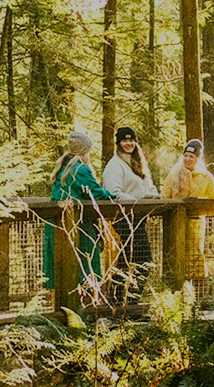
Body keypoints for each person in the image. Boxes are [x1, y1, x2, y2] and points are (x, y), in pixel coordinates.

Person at [42, 130, 115, 290]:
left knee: (61, 263)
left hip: (58, 224)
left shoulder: (63, 166)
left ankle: (61, 304)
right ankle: (84, 305)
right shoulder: (80, 169)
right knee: (82, 261)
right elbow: (95, 192)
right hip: (76, 225)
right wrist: (114, 195)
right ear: (84, 150)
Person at [101, 126, 156, 300]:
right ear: (118, 143)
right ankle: (126, 299)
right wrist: (136, 203)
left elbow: (148, 186)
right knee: (143, 259)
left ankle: (121, 299)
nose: (128, 143)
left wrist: (155, 198)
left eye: (131, 140)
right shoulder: (115, 165)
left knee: (129, 259)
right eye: (124, 140)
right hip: (124, 217)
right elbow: (114, 192)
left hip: (138, 217)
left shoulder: (137, 162)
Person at [163, 138, 214, 286]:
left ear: (198, 158)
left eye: (191, 156)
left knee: (195, 256)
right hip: (174, 223)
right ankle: (176, 295)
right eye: (186, 156)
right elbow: (164, 196)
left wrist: (198, 201)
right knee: (175, 256)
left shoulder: (206, 177)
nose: (188, 159)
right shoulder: (173, 174)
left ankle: (198, 296)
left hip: (196, 223)